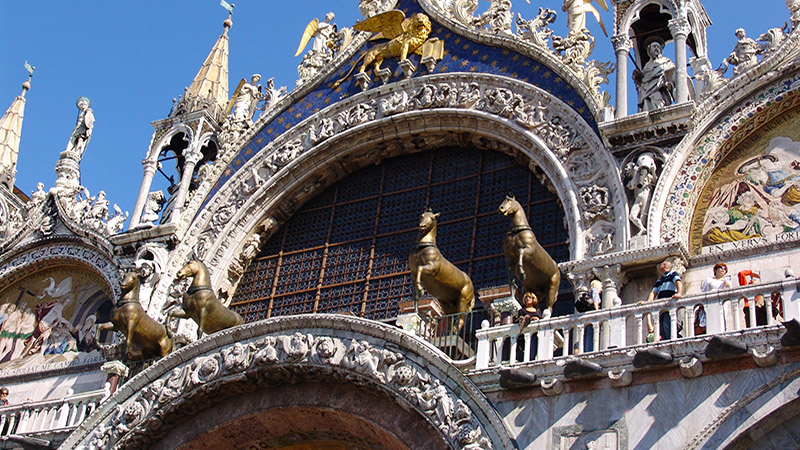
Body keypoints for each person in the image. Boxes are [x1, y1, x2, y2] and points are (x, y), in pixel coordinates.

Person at [640, 259, 683, 342]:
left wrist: (679, 293)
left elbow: (678, 282)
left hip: (669, 306)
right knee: (662, 327)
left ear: (664, 266)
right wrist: (647, 303)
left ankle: (672, 341)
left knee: (668, 325)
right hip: (661, 308)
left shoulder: (673, 274)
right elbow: (653, 292)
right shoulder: (660, 280)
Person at [634, 41, 675, 112]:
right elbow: (643, 80)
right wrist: (637, 77)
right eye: (654, 46)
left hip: (659, 90)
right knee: (647, 107)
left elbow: (672, 73)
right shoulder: (647, 66)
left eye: (658, 47)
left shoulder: (666, 61)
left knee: (659, 104)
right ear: (649, 50)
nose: (656, 48)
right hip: (646, 93)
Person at [697, 263, 732, 335]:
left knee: (721, 317)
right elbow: (704, 291)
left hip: (721, 304)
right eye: (721, 268)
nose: (723, 270)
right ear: (715, 270)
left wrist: (727, 285)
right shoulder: (708, 280)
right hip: (710, 302)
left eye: (725, 269)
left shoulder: (726, 281)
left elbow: (730, 292)